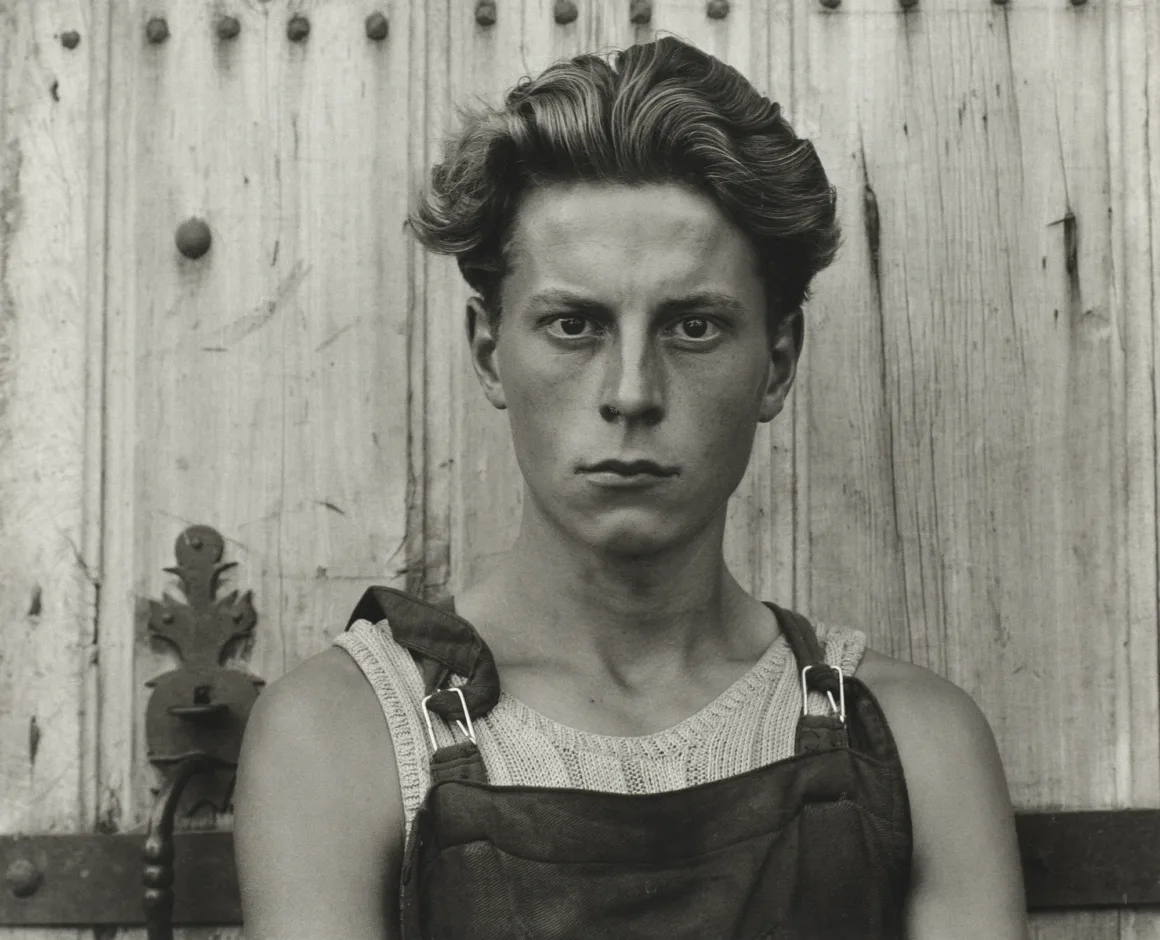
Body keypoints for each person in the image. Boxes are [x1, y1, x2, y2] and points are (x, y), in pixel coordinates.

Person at [234, 36, 1028, 939]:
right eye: (575, 324)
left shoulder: (918, 745)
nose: (632, 393)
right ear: (490, 351)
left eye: (694, 326)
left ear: (776, 363)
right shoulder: (344, 739)